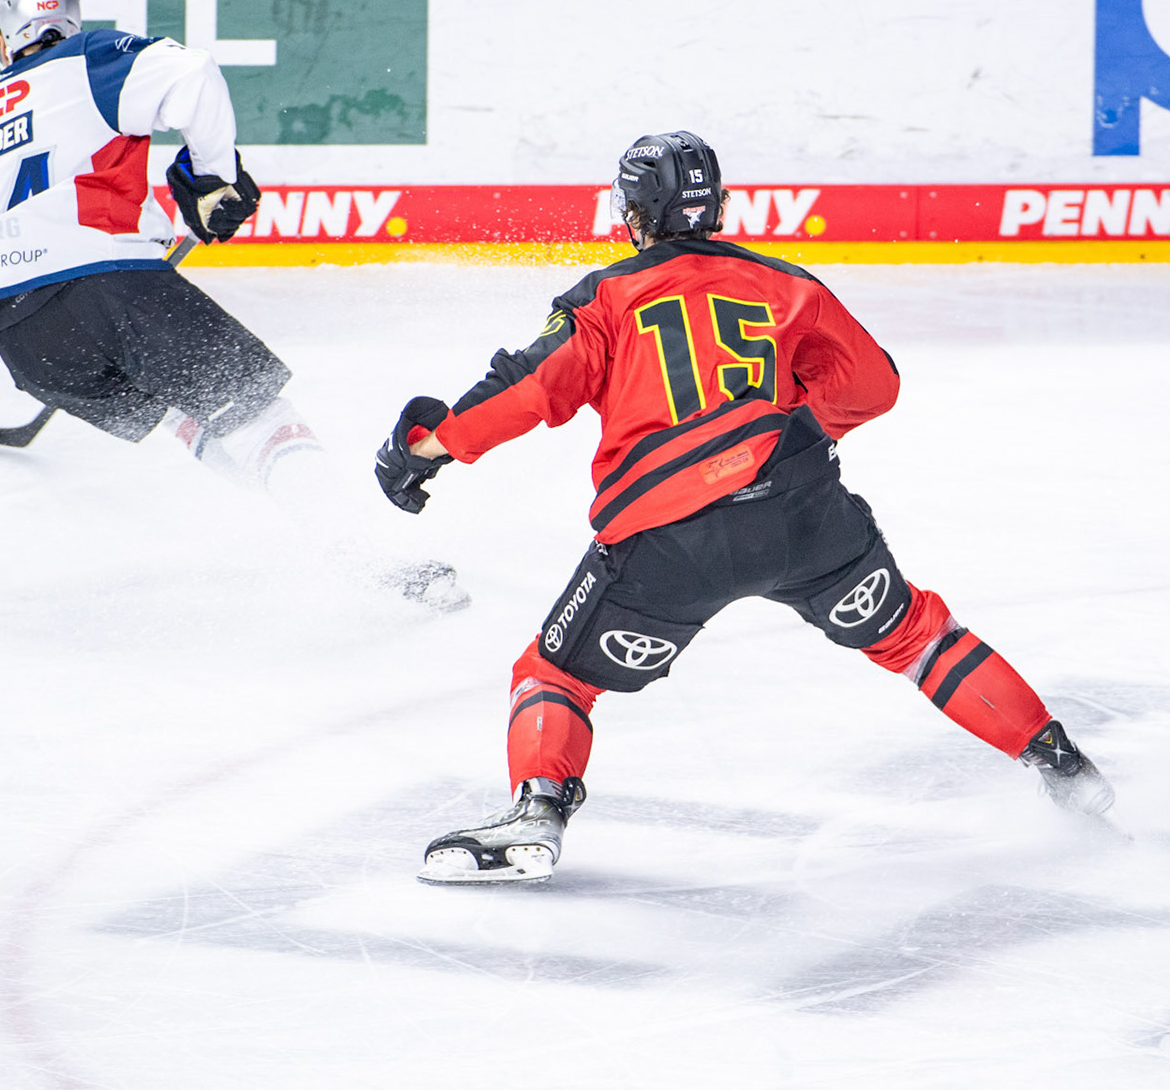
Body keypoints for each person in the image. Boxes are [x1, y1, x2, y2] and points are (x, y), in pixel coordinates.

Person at [374, 131, 1114, 885]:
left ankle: (539, 812)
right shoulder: (789, 286)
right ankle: (1062, 764)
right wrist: (793, 431)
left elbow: (525, 391)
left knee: (555, 675)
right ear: (719, 205)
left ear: (632, 213)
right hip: (806, 518)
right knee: (920, 637)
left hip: (671, 544)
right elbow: (873, 387)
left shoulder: (607, 297)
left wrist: (427, 449)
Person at [0, 0, 464, 610]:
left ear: (2, 36)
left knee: (191, 419)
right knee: (257, 415)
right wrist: (213, 178)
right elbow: (191, 76)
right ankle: (360, 558)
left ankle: (312, 520)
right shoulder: (87, 57)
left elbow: (57, 202)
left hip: (23, 340)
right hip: (103, 287)